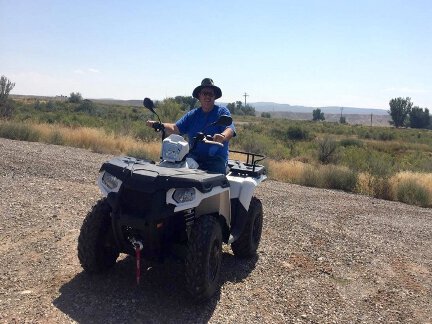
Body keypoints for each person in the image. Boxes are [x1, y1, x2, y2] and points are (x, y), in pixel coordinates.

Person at [146, 78, 236, 174]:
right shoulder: (193, 115)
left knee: (213, 181)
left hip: (215, 159)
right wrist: (160, 125)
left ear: (214, 97)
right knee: (174, 172)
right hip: (194, 157)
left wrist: (222, 136)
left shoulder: (221, 112)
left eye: (211, 94)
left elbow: (229, 129)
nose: (207, 96)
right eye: (205, 93)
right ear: (199, 96)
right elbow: (175, 128)